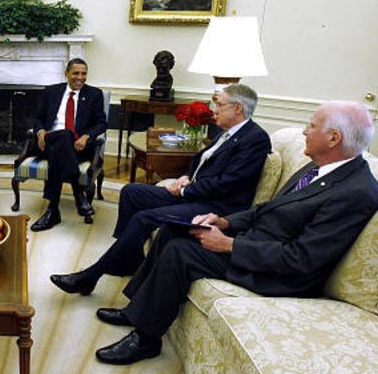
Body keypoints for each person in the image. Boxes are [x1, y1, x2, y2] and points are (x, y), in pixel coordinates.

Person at [93, 101, 378, 366]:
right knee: (174, 228)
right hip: (258, 243)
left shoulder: (356, 193)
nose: (304, 131)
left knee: (182, 251)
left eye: (311, 125)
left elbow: (302, 259)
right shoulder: (319, 167)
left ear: (334, 138)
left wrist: (229, 245)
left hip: (281, 274)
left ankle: (146, 340)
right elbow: (268, 209)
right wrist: (224, 222)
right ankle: (136, 310)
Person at [51, 84, 271, 294]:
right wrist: (186, 177)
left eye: (220, 105)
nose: (215, 110)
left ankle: (90, 277)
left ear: (238, 107)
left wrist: (185, 190)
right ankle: (129, 259)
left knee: (143, 218)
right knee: (131, 192)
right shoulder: (228, 132)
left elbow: (228, 183)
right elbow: (202, 162)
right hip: (197, 194)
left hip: (215, 207)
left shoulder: (255, 139)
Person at [29, 58, 109, 232]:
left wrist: (87, 136)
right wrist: (40, 131)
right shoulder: (51, 91)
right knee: (65, 135)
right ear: (66, 74)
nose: (80, 77)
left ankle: (53, 210)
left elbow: (101, 123)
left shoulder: (94, 94)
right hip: (48, 142)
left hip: (78, 147)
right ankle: (79, 195)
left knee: (61, 146)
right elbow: (38, 118)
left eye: (84, 74)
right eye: (76, 73)